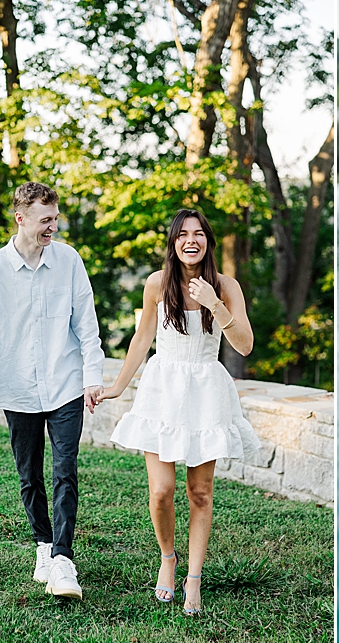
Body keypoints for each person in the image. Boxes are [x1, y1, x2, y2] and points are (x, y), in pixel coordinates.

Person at [96, 208, 261, 615]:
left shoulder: (226, 286)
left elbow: (244, 345)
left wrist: (215, 304)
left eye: (199, 233)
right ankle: (168, 559)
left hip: (206, 392)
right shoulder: (157, 283)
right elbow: (142, 338)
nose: (191, 240)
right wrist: (118, 386)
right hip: (163, 391)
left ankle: (194, 580)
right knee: (161, 491)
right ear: (173, 242)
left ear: (208, 241)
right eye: (183, 234)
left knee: (200, 493)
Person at [0, 182, 104, 600]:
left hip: (65, 385)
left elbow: (87, 326)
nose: (53, 228)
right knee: (30, 475)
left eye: (55, 219)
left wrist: (91, 377)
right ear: (20, 219)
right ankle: (43, 544)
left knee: (65, 470)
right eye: (45, 221)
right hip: (17, 387)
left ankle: (63, 557)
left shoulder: (69, 261)